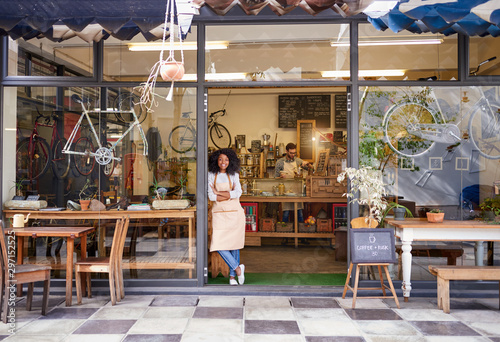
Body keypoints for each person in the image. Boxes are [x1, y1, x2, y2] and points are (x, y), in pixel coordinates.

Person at [208, 148, 246, 285]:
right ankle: (238, 269)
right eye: (220, 159)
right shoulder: (211, 174)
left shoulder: (234, 174)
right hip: (219, 215)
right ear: (216, 161)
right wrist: (229, 193)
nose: (223, 162)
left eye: (226, 159)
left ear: (230, 161)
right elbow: (211, 196)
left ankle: (232, 277)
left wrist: (219, 192)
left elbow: (239, 193)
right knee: (218, 244)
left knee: (234, 244)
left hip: (235, 213)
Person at [275, 143, 310, 244]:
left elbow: (311, 169)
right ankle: (285, 237)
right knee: (285, 214)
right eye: (291, 153)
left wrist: (307, 164)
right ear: (286, 151)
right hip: (285, 191)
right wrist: (280, 178)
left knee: (300, 214)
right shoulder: (280, 162)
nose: (292, 155)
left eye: (294, 153)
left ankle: (302, 237)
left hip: (297, 191)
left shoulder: (298, 161)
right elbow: (275, 178)